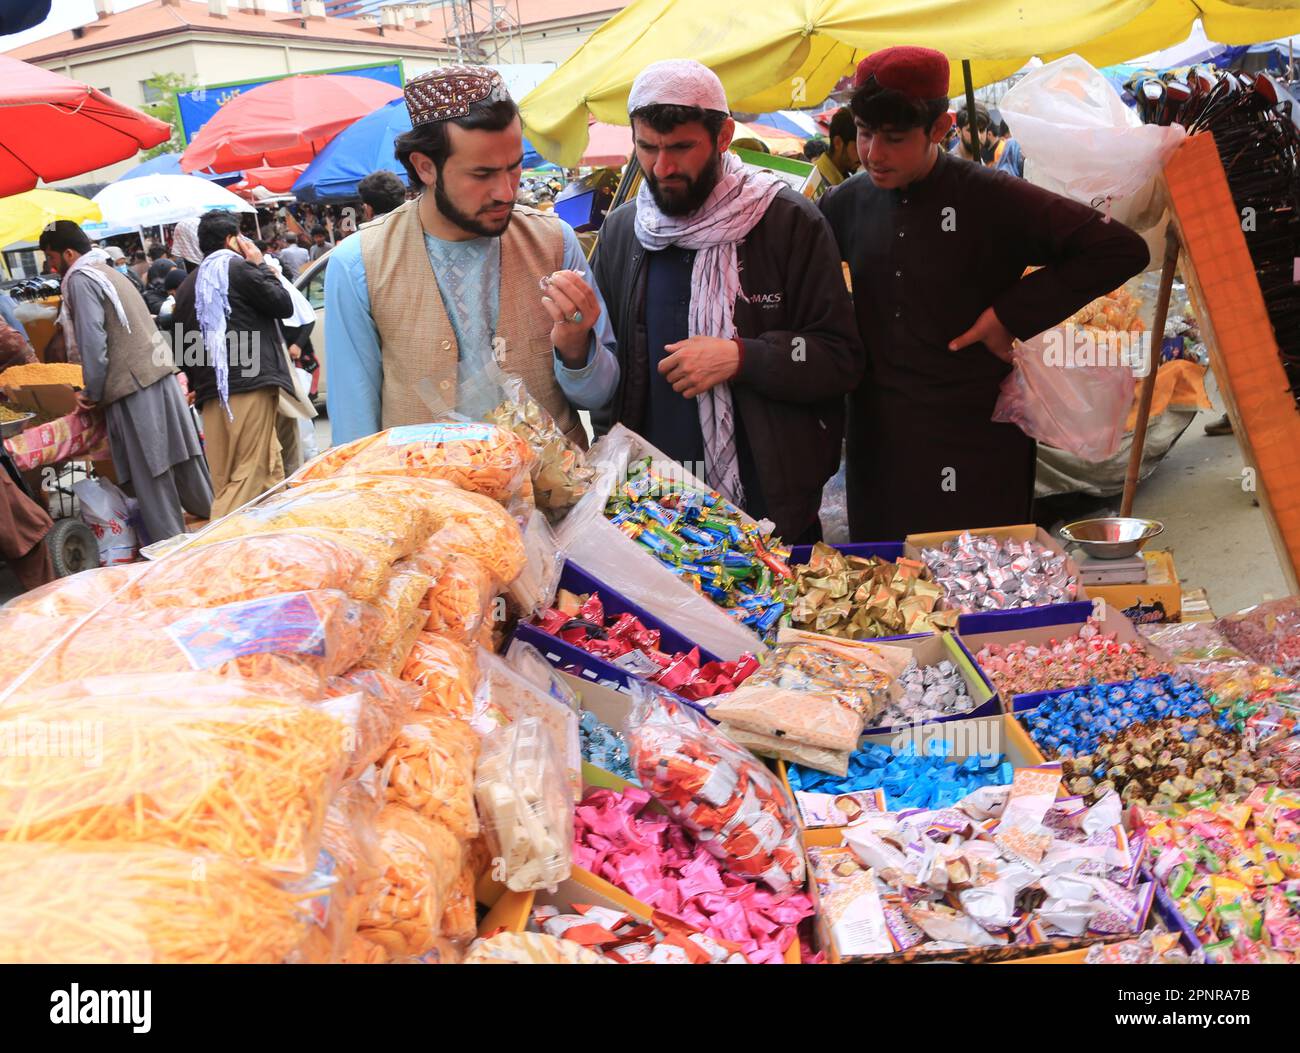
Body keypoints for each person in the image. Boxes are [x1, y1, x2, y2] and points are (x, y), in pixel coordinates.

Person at [819, 46, 1150, 540]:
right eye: (865, 134)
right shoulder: (845, 203)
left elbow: (1119, 249)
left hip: (974, 432)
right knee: (887, 576)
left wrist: (1009, 315)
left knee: (985, 572)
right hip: (879, 438)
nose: (874, 154)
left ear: (939, 127)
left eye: (894, 139)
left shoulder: (993, 196)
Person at [590, 59, 863, 542]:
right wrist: (575, 345)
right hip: (653, 510)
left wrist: (743, 357)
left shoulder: (787, 223)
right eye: (647, 148)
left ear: (723, 136)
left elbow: (839, 358)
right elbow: (606, 370)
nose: (662, 167)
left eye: (681, 148)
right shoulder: (622, 232)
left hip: (770, 506)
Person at [324, 65, 619, 447]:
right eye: (482, 174)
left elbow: (599, 396)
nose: (505, 192)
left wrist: (577, 345)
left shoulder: (554, 241)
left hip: (558, 483)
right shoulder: (359, 264)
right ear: (425, 167)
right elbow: (355, 438)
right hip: (426, 486)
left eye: (514, 168)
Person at [38, 221, 213, 545]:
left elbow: (93, 340)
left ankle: (171, 550)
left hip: (133, 386)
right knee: (184, 459)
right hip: (159, 375)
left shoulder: (80, 278)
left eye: (51, 257)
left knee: (151, 470)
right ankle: (217, 523)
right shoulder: (109, 270)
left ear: (68, 253)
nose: (50, 266)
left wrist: (91, 391)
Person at [172, 210, 297, 519]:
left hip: (209, 391)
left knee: (251, 471)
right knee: (250, 472)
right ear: (231, 239)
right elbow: (283, 305)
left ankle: (274, 536)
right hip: (249, 383)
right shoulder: (240, 268)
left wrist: (199, 383)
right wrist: (261, 265)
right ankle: (214, 540)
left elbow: (182, 348)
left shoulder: (187, 286)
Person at [815, 106, 861, 187]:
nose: (863, 155)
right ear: (838, 143)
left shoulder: (844, 177)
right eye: (858, 146)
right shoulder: (817, 182)